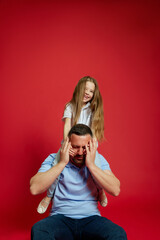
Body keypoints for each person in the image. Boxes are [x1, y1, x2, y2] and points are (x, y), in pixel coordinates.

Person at [30, 124, 127, 240]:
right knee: (39, 229)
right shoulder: (53, 159)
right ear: (67, 144)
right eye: (76, 147)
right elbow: (34, 188)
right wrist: (62, 163)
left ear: (92, 145)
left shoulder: (98, 160)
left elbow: (115, 190)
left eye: (85, 147)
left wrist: (91, 165)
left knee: (117, 233)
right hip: (60, 220)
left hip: (91, 220)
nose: (80, 152)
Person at [37, 76, 107, 214]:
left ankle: (101, 191)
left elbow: (92, 131)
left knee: (97, 169)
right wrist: (68, 147)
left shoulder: (92, 109)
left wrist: (90, 149)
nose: (87, 93)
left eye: (91, 91)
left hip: (88, 146)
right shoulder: (70, 107)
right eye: (85, 89)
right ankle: (48, 196)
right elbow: (67, 127)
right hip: (70, 144)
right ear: (79, 89)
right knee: (57, 167)